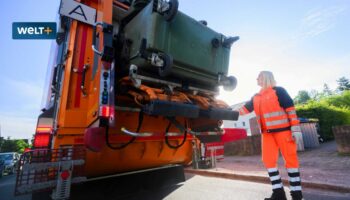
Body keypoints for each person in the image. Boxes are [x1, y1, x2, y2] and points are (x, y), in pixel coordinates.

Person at [238, 71, 303, 200]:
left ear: (266, 78)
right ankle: (278, 193)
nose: (256, 79)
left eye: (259, 76)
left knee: (291, 160)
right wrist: (224, 112)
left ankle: (296, 195)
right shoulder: (256, 96)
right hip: (267, 135)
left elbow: (290, 109)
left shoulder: (279, 91)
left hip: (284, 131)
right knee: (268, 161)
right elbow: (243, 110)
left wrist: (295, 129)